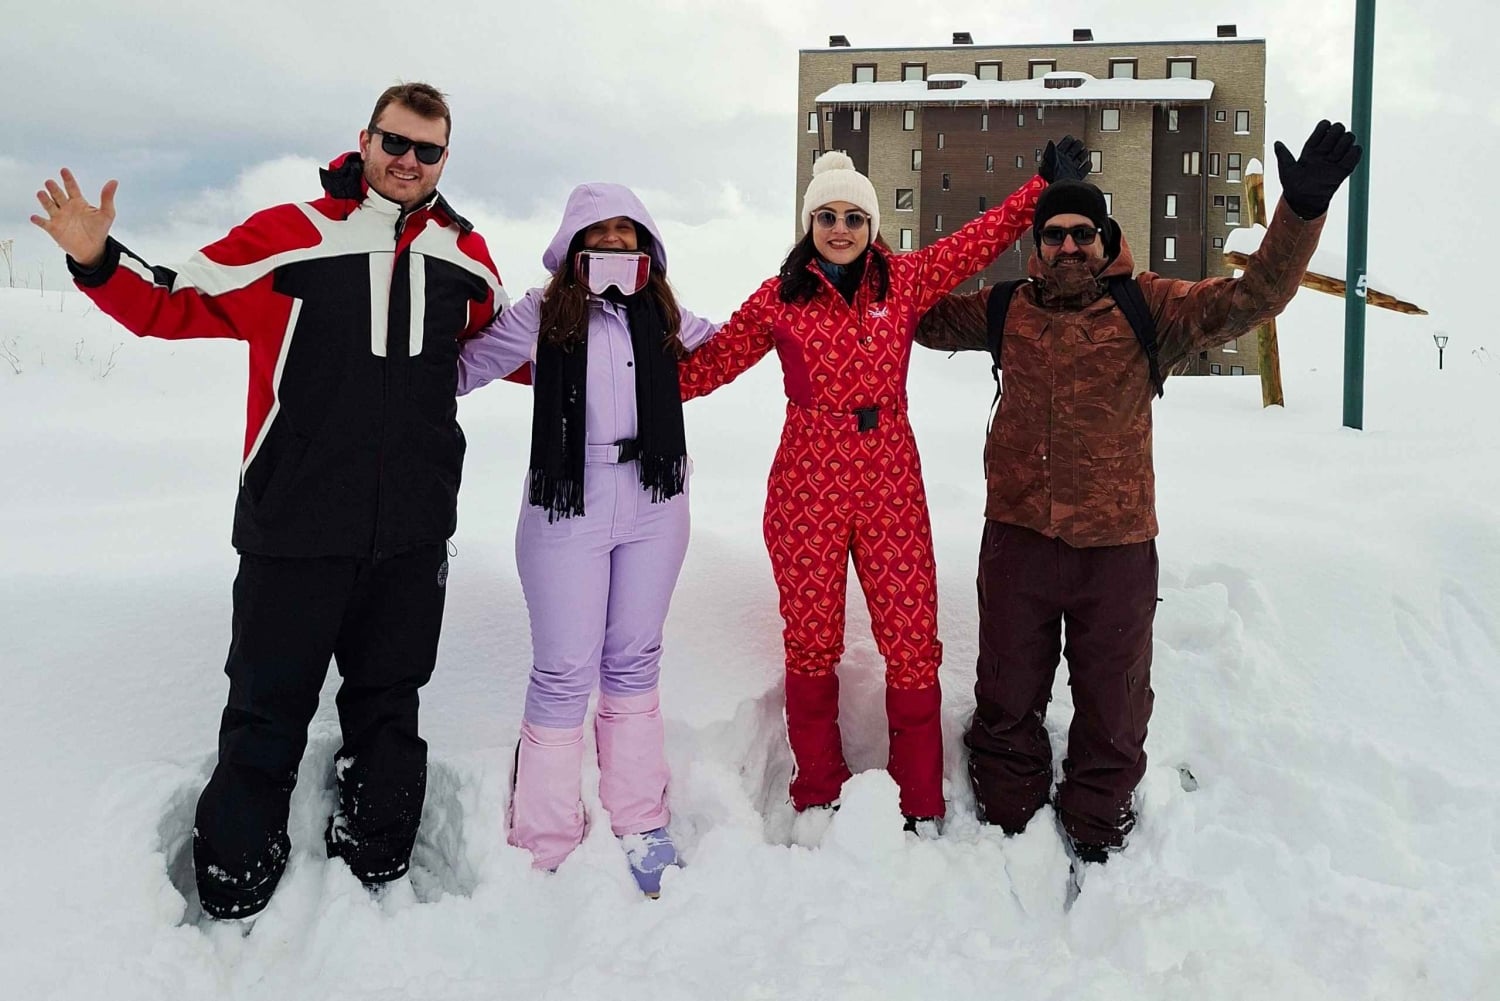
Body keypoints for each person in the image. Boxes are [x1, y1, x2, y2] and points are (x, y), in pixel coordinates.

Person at [29, 82, 505, 920]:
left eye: (427, 150)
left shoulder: (467, 255)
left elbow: (505, 348)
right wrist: (99, 262)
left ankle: (380, 857)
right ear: (364, 139)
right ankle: (236, 874)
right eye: (395, 142)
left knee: (390, 706)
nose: (408, 161)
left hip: (414, 535)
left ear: (444, 161)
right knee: (265, 710)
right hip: (294, 527)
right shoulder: (291, 234)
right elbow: (174, 301)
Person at [913, 119, 1363, 864]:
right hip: (1018, 540)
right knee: (1006, 692)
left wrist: (1301, 211)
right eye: (1053, 233)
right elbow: (916, 313)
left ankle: (1097, 821)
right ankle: (1006, 808)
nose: (1067, 246)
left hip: (1116, 550)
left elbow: (1255, 297)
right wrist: (847, 246)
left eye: (1082, 233)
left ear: (1104, 238)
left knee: (1114, 707)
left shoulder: (1147, 306)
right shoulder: (1004, 311)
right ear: (1037, 245)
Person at [675, 140, 1089, 830]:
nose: (840, 228)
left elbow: (973, 244)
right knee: (811, 640)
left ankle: (921, 798)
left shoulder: (901, 281)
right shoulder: (780, 299)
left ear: (872, 227)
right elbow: (706, 365)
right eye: (827, 216)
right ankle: (817, 789)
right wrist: (612, 379)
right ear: (809, 225)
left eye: (854, 218)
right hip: (807, 478)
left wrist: (1040, 185)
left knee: (911, 637)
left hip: (889, 475)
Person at [457, 184, 719, 896]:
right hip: (567, 503)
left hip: (655, 500)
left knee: (634, 657)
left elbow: (735, 343)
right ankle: (545, 835)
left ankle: (639, 817)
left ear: (645, 245)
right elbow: (457, 370)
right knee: (564, 669)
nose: (611, 242)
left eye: (624, 231)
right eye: (595, 231)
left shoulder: (664, 312)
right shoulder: (541, 315)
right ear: (573, 243)